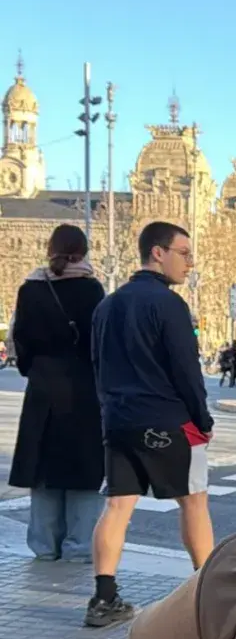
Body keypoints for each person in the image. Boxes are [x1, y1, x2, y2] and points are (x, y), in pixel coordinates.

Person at [87, 221, 214, 629]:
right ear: (157, 253)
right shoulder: (169, 305)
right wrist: (202, 418)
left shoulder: (107, 305)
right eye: (184, 253)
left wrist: (109, 412)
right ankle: (205, 597)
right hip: (169, 420)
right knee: (194, 501)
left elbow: (96, 366)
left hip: (119, 421)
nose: (190, 263)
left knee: (117, 506)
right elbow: (186, 369)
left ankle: (103, 598)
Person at [8, 225, 106, 562]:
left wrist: (37, 370)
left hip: (43, 390)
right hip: (83, 390)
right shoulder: (91, 289)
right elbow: (100, 343)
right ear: (84, 251)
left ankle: (44, 547)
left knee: (43, 471)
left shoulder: (31, 288)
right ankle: (80, 547)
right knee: (83, 471)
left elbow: (20, 342)